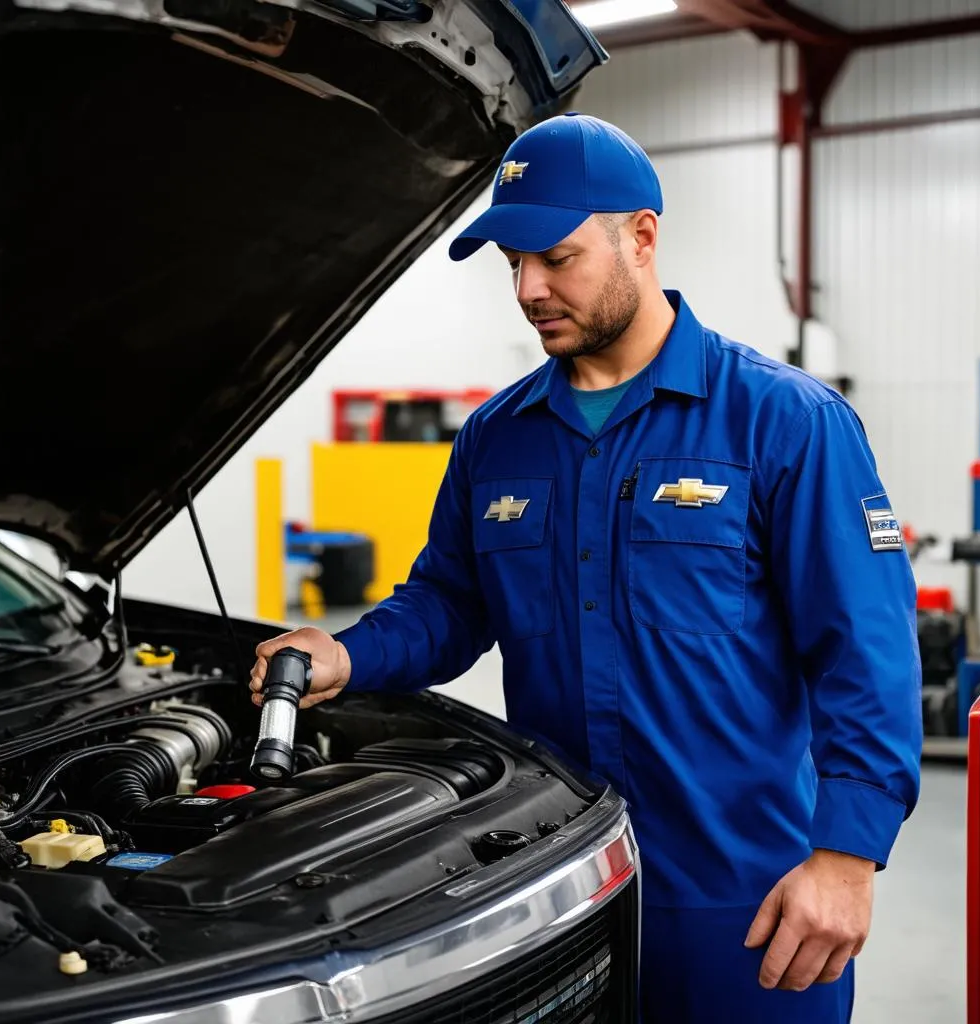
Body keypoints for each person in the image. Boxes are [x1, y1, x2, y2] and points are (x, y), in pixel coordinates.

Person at [249, 112, 922, 1023]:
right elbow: (450, 603)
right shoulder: (499, 436)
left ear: (641, 238)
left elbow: (865, 655)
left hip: (747, 901)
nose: (528, 289)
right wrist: (347, 655)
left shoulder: (783, 422)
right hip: (560, 885)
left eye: (555, 257)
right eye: (511, 265)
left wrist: (846, 859)